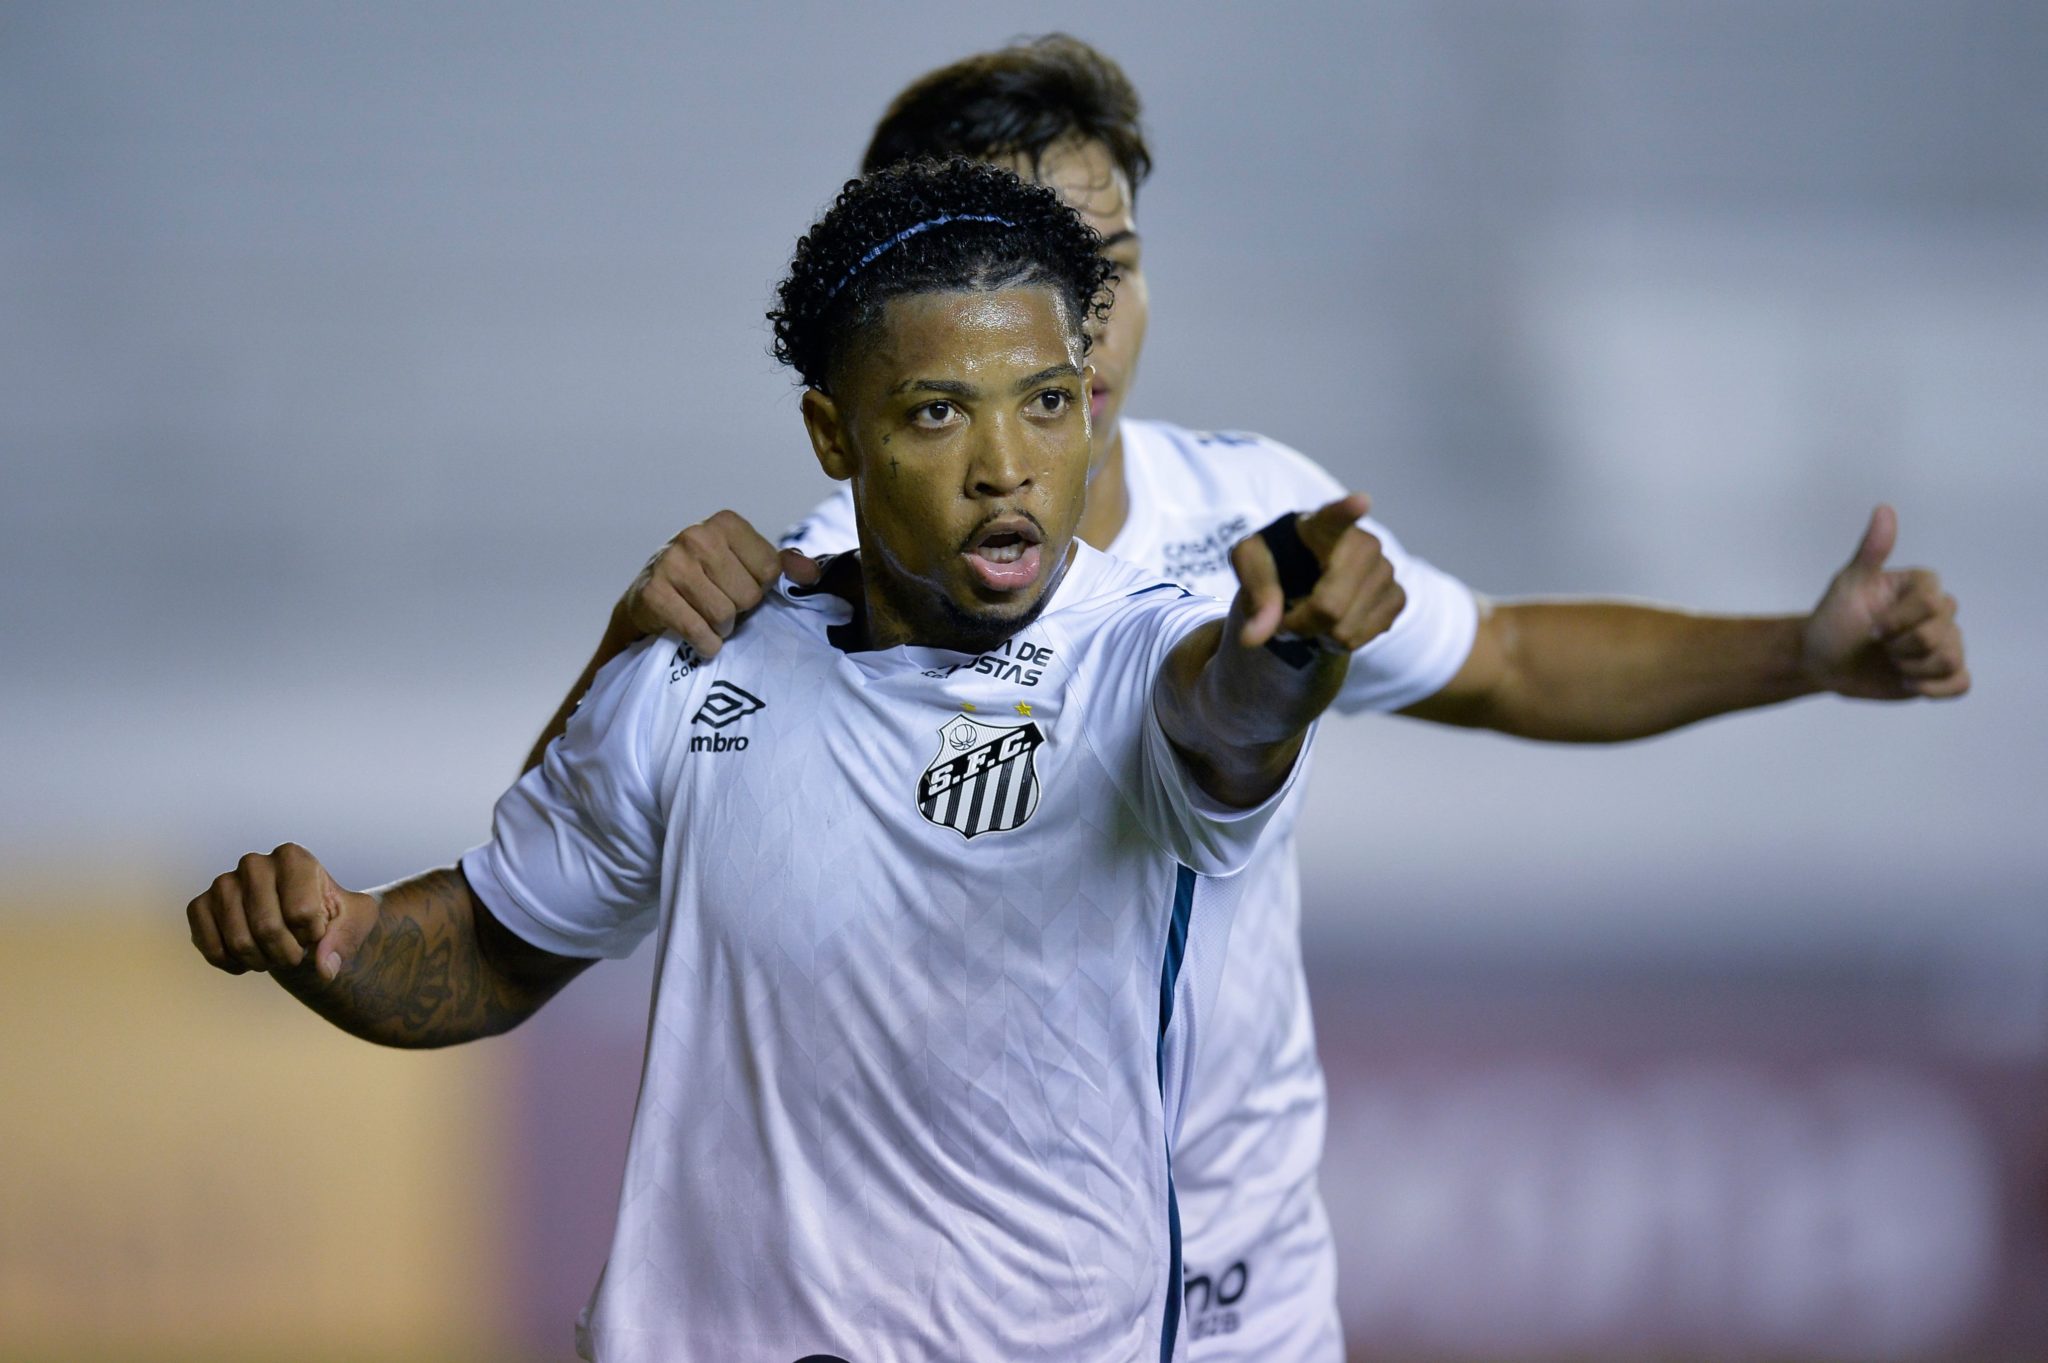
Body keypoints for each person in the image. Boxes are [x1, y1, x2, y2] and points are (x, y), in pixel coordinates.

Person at [522, 35, 1973, 1362]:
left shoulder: (1254, 517)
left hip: (1239, 1295)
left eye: (1118, 261)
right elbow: (557, 851)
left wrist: (1803, 650)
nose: (1089, 319)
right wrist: (618, 645)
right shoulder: (815, 595)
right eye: (1041, 265)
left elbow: (1512, 660)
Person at [185, 157, 1404, 1362]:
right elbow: (496, 945)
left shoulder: (1135, 656)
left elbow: (1230, 719)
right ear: (834, 432)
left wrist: (1292, 652)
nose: (1004, 463)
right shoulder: (699, 667)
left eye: (1043, 402)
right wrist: (335, 938)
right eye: (938, 411)